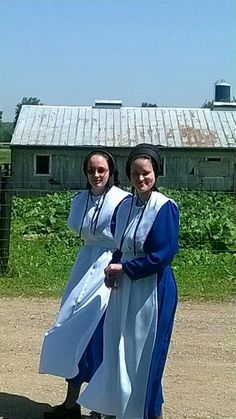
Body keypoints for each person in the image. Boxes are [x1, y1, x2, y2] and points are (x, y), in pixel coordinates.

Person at [78, 144, 179, 419]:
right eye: (135, 174)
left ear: (156, 173)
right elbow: (120, 245)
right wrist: (113, 270)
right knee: (117, 347)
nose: (140, 179)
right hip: (125, 287)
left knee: (144, 356)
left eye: (145, 173)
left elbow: (163, 255)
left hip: (153, 290)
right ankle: (116, 407)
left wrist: (125, 267)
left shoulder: (164, 207)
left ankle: (146, 412)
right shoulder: (125, 206)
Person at [39, 150, 129, 419]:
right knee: (73, 326)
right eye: (92, 170)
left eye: (102, 170)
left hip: (109, 265)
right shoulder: (80, 200)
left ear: (111, 171)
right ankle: (70, 403)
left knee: (100, 335)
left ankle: (101, 407)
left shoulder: (123, 201)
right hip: (84, 265)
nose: (97, 175)